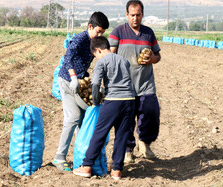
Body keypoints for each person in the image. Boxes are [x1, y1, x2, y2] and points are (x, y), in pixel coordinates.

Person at [52, 12, 109, 172]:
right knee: (73, 117)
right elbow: (68, 56)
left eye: (102, 33)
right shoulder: (80, 39)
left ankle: (81, 155)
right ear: (90, 27)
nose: (99, 35)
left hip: (80, 82)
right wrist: (73, 76)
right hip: (67, 81)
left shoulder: (93, 42)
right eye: (98, 31)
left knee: (85, 120)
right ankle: (59, 157)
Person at [73, 36, 135, 180]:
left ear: (98, 50)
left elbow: (95, 84)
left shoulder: (102, 62)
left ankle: (87, 166)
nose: (96, 58)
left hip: (113, 100)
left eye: (95, 55)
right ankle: (117, 170)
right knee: (121, 135)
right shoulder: (123, 60)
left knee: (99, 133)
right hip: (130, 100)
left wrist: (95, 102)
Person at [108, 0, 161, 162]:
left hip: (146, 83)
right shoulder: (118, 32)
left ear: (142, 15)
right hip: (125, 86)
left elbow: (158, 56)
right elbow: (110, 56)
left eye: (138, 15)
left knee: (151, 112)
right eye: (132, 15)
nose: (135, 18)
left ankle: (145, 142)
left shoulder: (148, 33)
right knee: (126, 119)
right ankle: (127, 150)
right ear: (127, 15)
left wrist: (153, 58)